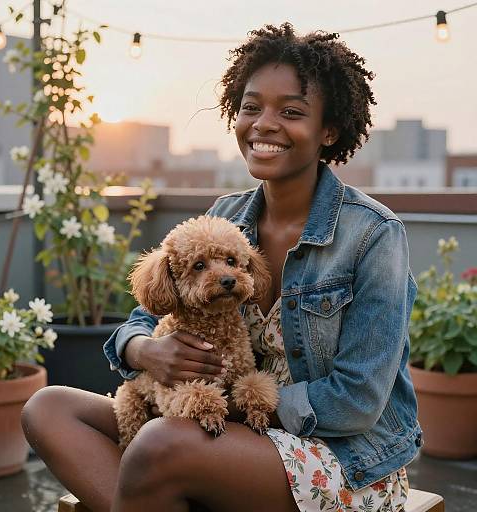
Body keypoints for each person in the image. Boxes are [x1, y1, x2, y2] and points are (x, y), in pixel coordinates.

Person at [22, 23, 422, 512]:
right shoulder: (225, 218)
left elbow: (357, 400)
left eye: (291, 112)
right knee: (49, 408)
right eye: (251, 106)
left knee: (159, 444)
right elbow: (145, 319)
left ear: (329, 131)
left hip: (344, 457)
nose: (264, 124)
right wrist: (147, 351)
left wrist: (230, 403)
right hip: (213, 429)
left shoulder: (374, 235)